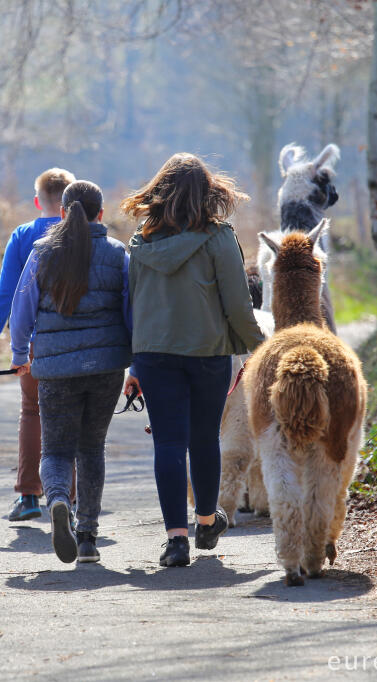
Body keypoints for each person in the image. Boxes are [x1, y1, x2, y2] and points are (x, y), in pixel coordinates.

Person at [121, 153, 266, 568]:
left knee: (168, 443)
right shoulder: (220, 237)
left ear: (159, 191)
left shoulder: (142, 242)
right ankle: (206, 521)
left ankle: (176, 540)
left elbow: (135, 306)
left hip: (154, 355)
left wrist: (135, 364)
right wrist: (254, 345)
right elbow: (238, 304)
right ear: (209, 192)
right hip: (208, 354)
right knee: (204, 439)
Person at [9, 180, 131, 564]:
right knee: (91, 448)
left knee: (57, 448)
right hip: (105, 369)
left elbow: (21, 307)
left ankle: (59, 499)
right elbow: (132, 312)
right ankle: (88, 538)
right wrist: (136, 361)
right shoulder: (117, 254)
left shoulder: (42, 252)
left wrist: (19, 353)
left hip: (55, 371)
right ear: (101, 214)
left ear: (61, 213)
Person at [0, 168, 76, 522]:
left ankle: (29, 497)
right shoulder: (83, 234)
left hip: (35, 345)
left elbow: (6, 293)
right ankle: (69, 499)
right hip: (79, 345)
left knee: (33, 412)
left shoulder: (23, 236)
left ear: (37, 201)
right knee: (72, 417)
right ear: (70, 200)